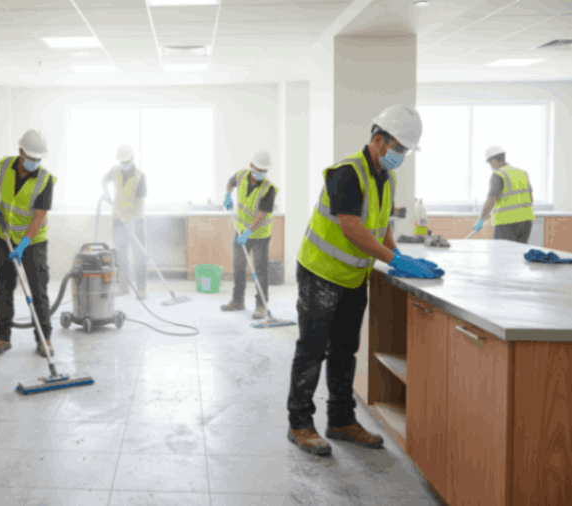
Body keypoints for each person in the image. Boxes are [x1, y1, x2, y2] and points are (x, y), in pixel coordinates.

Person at [288, 104, 442, 457]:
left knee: (345, 350)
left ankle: (341, 420)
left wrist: (398, 255)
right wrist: (392, 259)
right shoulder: (346, 172)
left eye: (405, 150)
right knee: (312, 350)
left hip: (354, 277)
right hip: (320, 274)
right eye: (399, 148)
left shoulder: (387, 177)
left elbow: (381, 222)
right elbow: (352, 227)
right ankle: (300, 424)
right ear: (378, 140)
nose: (401, 155)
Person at [0, 129, 57, 357]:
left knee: (38, 291)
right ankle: (2, 338)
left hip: (33, 243)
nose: (34, 162)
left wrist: (23, 245)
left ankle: (44, 340)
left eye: (38, 159)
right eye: (31, 158)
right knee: (4, 290)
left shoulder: (45, 180)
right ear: (21, 152)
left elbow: (39, 216)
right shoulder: (5, 166)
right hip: (5, 237)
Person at [221, 149, 279, 319]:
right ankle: (237, 301)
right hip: (240, 231)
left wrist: (246, 234)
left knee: (261, 270)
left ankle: (261, 306)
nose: (261, 173)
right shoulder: (241, 175)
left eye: (264, 171)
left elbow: (261, 217)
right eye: (258, 169)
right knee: (238, 267)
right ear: (251, 165)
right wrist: (227, 194)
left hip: (260, 235)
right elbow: (230, 183)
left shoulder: (269, 189)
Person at [101, 144, 148, 300]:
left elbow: (140, 203)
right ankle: (123, 287)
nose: (124, 164)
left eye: (126, 161)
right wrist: (106, 192)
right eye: (121, 161)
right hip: (118, 218)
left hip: (137, 220)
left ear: (132, 159)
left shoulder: (140, 176)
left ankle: (141, 289)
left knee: (139, 254)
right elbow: (103, 180)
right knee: (121, 255)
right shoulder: (115, 171)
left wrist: (132, 221)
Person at [472, 146, 535, 243]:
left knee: (501, 254)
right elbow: (530, 199)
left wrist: (481, 219)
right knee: (519, 254)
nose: (490, 166)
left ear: (493, 161)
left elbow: (491, 199)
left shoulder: (498, 174)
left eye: (490, 163)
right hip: (526, 222)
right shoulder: (522, 173)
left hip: (507, 223)